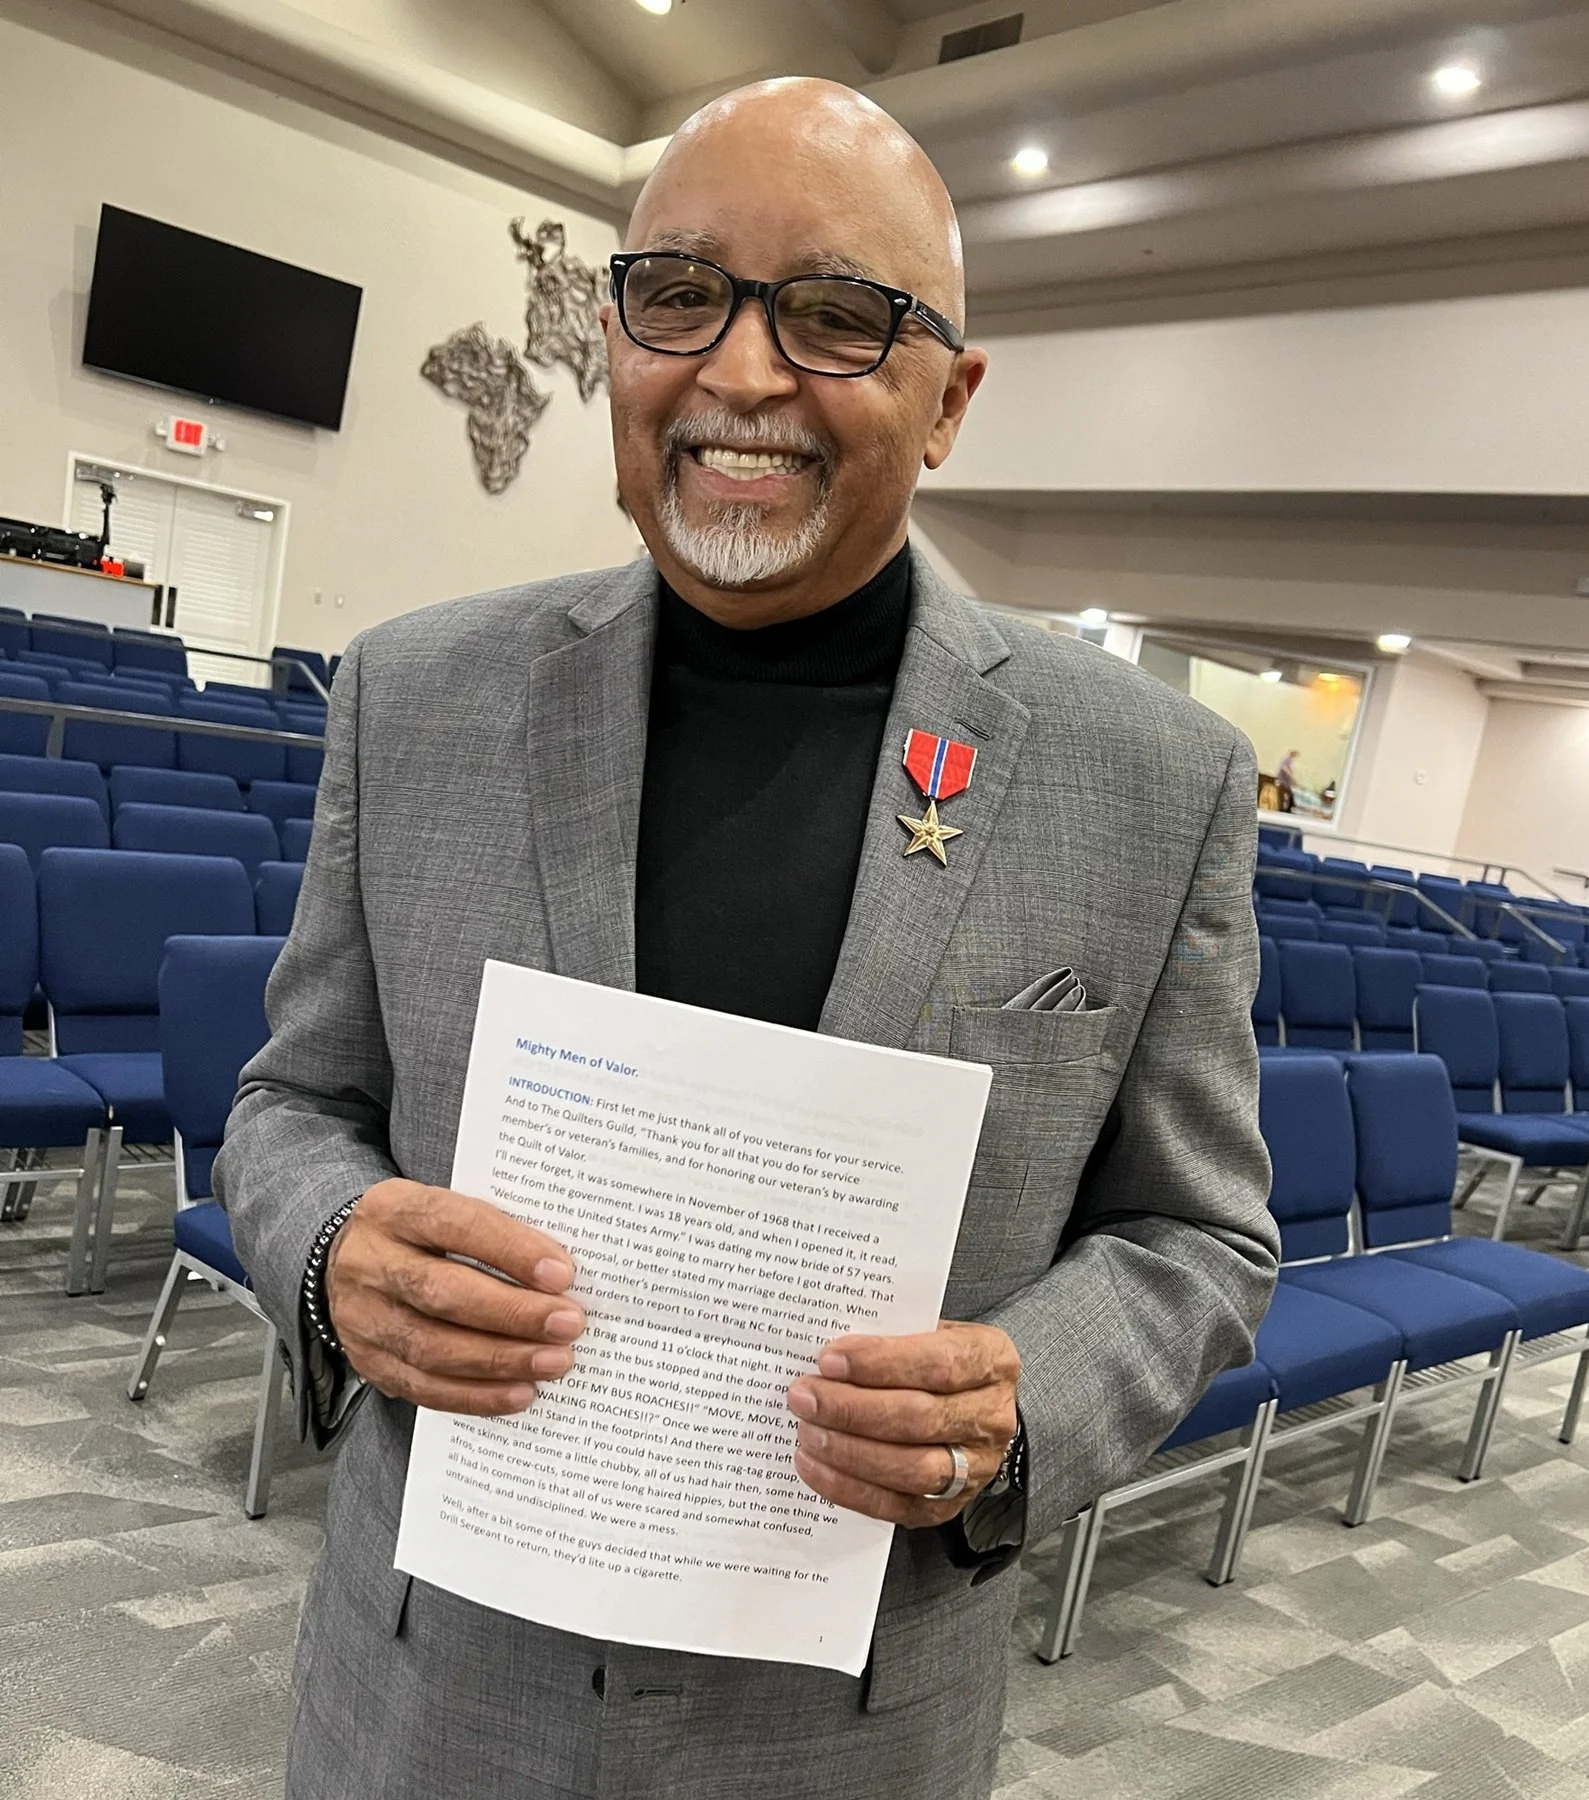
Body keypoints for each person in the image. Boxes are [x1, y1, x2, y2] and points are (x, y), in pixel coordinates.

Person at [218, 77, 1277, 1800]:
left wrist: (1021, 1401)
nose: (741, 372)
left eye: (839, 316)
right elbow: (287, 1104)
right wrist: (331, 1251)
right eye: (683, 294)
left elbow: (1198, 1239)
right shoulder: (414, 697)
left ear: (951, 403)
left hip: (848, 1728)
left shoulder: (1150, 782)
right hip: (431, 1691)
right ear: (621, 333)